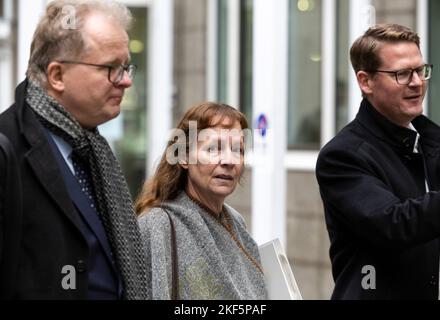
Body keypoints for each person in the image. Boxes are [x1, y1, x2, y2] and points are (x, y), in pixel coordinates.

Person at [0, 0, 147, 299]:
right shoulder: (7, 151)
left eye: (126, 67)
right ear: (57, 75)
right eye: (111, 68)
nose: (126, 81)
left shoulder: (93, 152)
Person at [316, 23, 440, 299]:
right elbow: (394, 223)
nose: (418, 82)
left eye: (421, 70)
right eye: (402, 74)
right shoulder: (342, 156)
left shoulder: (431, 140)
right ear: (365, 81)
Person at [136, 102, 268, 300]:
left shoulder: (236, 223)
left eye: (237, 150)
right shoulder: (157, 225)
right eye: (214, 148)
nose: (228, 160)